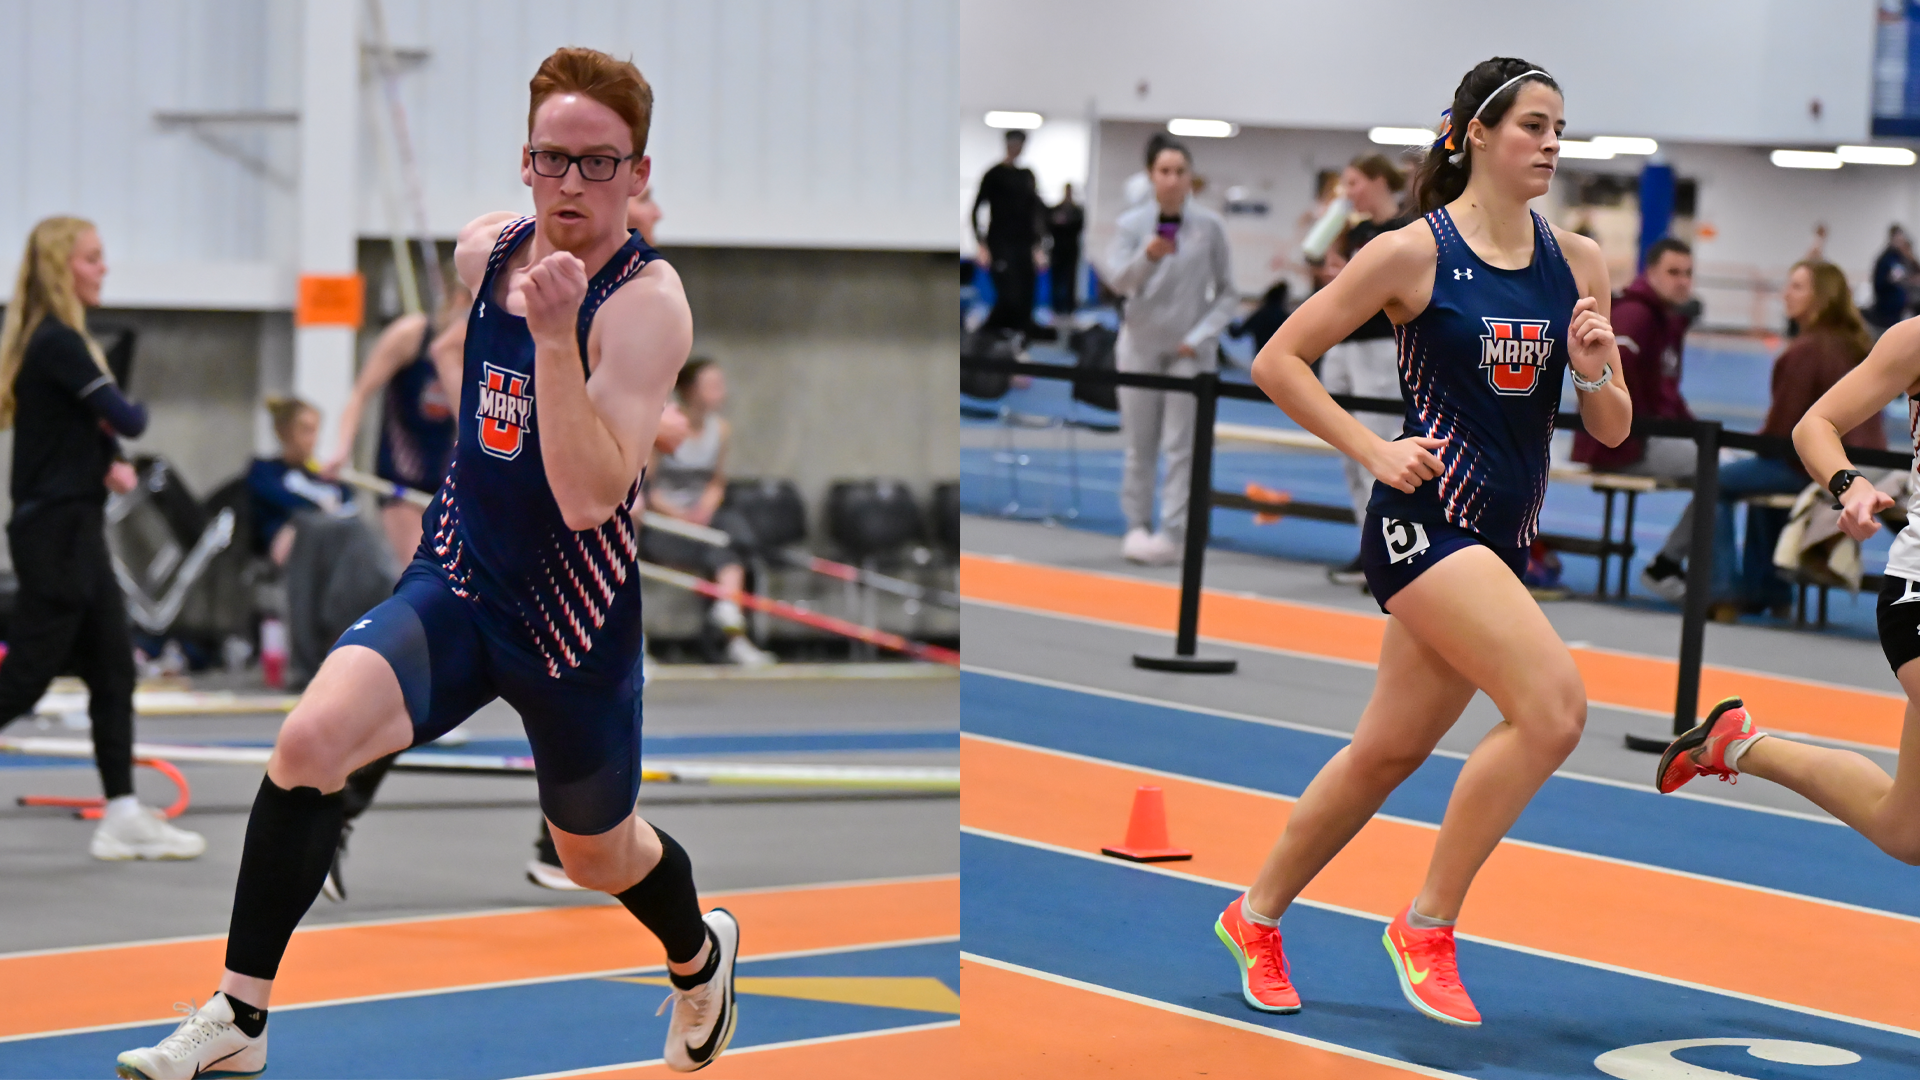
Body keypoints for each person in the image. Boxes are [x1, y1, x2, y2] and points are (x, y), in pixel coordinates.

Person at [118, 47, 738, 1078]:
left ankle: (697, 954)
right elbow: (464, 359)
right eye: (554, 159)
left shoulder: (646, 308)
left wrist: (552, 341)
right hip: (457, 581)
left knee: (596, 855)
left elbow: (592, 497)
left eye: (600, 163)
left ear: (639, 174)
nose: (573, 184)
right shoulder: (481, 255)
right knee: (311, 740)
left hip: (570, 624)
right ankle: (240, 1017)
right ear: (526, 163)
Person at [1215, 59, 1631, 1028]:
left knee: (1386, 752)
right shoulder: (1411, 253)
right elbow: (1281, 358)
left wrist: (1598, 370)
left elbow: (1610, 429)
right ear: (1477, 133)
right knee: (1554, 709)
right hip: (1423, 525)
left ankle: (1255, 912)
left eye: (1561, 127)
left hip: (1502, 535)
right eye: (1534, 125)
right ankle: (1427, 924)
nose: (1553, 144)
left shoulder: (1578, 261)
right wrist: (1372, 446)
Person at [1654, 303, 1920, 869]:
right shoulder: (1914, 341)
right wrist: (1849, 486)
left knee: (1906, 832)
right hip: (1919, 592)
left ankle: (1738, 744)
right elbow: (1814, 425)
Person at [0, 216, 205, 862]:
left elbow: (92, 428)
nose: (103, 269)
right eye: (92, 259)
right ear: (65, 269)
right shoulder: (60, 342)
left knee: (114, 668)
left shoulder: (57, 343)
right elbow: (127, 415)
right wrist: (115, 433)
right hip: (56, 533)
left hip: (73, 524)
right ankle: (121, 811)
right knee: (29, 676)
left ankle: (121, 812)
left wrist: (106, 458)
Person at [1644, 261, 1883, 617]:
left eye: (1797, 287)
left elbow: (1785, 433)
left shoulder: (1807, 351)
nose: (1786, 293)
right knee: (1757, 481)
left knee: (1716, 479)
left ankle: (1720, 591)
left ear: (1821, 297)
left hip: (1817, 465)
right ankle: (1770, 590)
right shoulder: (1856, 345)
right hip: (1863, 464)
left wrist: (1748, 448)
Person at [1102, 140, 1238, 566]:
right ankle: (1136, 525)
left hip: (1187, 350)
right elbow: (1120, 282)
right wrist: (1147, 255)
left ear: (1189, 177)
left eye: (1180, 171)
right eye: (1164, 170)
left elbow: (1229, 293)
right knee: (1139, 444)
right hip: (1140, 344)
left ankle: (1172, 530)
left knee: (1181, 446)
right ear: (1150, 176)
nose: (1173, 178)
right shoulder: (1130, 225)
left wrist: (1198, 337)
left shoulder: (1210, 226)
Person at [1554, 238, 1699, 600]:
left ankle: (1685, 568)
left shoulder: (1666, 319)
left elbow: (1666, 393)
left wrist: (1690, 427)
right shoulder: (1636, 317)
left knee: (1720, 464)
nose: (1683, 281)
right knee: (1719, 471)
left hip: (1647, 436)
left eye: (1688, 273)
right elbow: (1613, 384)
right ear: (1650, 273)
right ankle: (1669, 567)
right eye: (1673, 272)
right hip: (1620, 445)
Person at [320, 277, 469, 566]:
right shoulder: (411, 335)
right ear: (458, 300)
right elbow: (360, 393)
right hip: (400, 482)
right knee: (422, 570)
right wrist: (342, 448)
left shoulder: (476, 345)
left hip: (448, 483)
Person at [1318, 154, 1415, 586]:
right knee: (1349, 447)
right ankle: (1367, 543)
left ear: (1377, 181)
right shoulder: (1355, 231)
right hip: (1344, 340)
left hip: (1380, 345)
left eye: (1354, 183)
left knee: (1379, 445)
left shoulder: (1404, 231)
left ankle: (1391, 549)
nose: (1348, 193)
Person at [643, 358, 774, 668]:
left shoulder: (721, 430)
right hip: (664, 524)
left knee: (728, 540)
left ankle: (731, 625)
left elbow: (716, 481)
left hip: (700, 524)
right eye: (712, 384)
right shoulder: (668, 425)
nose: (721, 391)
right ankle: (638, 649)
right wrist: (679, 515)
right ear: (689, 390)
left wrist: (705, 508)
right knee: (724, 544)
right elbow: (646, 486)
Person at [971, 129, 1044, 336]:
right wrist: (981, 244)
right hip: (1000, 242)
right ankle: (992, 335)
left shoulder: (1027, 176)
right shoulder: (994, 174)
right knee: (1009, 294)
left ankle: (1021, 337)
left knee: (1026, 294)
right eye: (1013, 144)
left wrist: (1038, 244)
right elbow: (976, 210)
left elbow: (1035, 211)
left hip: (1024, 243)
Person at [1868, 224, 1916, 335]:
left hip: (1901, 310)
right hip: (1887, 311)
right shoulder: (1886, 259)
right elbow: (1879, 284)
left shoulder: (1901, 258)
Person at [1047, 182, 1085, 316]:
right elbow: (1049, 226)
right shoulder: (1056, 209)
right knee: (1057, 279)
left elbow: (1079, 227)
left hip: (1071, 249)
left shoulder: (1077, 211)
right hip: (1057, 248)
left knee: (1070, 279)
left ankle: (1069, 306)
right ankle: (1056, 306)